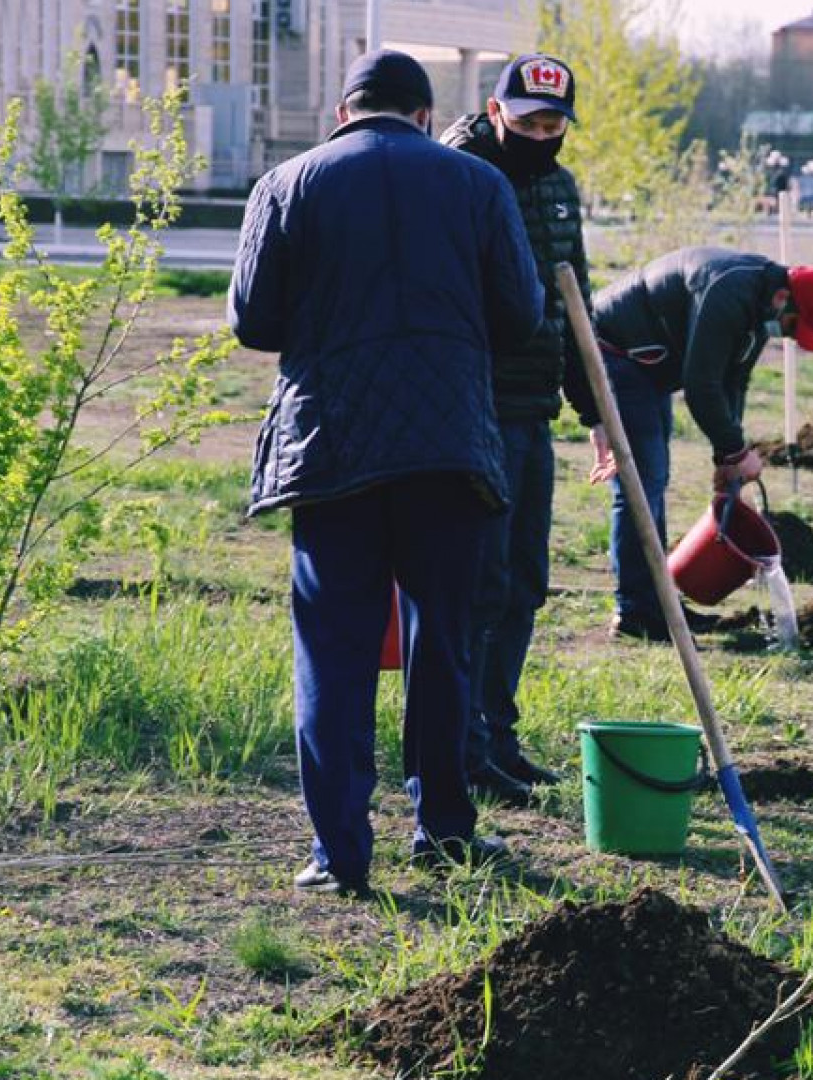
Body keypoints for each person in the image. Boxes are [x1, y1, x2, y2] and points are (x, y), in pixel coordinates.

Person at [230, 49, 543, 896]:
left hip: (330, 449)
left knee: (333, 650)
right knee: (443, 642)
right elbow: (521, 317)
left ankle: (340, 854)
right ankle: (442, 829)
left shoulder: (288, 185)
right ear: (421, 112)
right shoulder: (480, 186)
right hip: (449, 450)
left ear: (344, 112)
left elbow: (253, 322)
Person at [440, 53, 591, 808]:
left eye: (553, 124)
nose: (542, 135)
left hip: (535, 408)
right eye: (528, 122)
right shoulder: (455, 175)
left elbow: (576, 304)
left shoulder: (561, 189)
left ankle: (498, 733)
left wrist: (595, 414)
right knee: (480, 583)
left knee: (526, 580)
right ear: (496, 112)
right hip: (472, 407)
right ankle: (459, 744)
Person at [570, 248, 813, 642]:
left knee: (652, 481)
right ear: (783, 298)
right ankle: (636, 612)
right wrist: (734, 451)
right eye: (793, 324)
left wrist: (729, 454)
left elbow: (733, 383)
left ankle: (658, 603)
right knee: (642, 482)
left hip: (649, 368)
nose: (789, 334)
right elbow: (702, 386)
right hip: (616, 352)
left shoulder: (758, 312)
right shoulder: (728, 293)